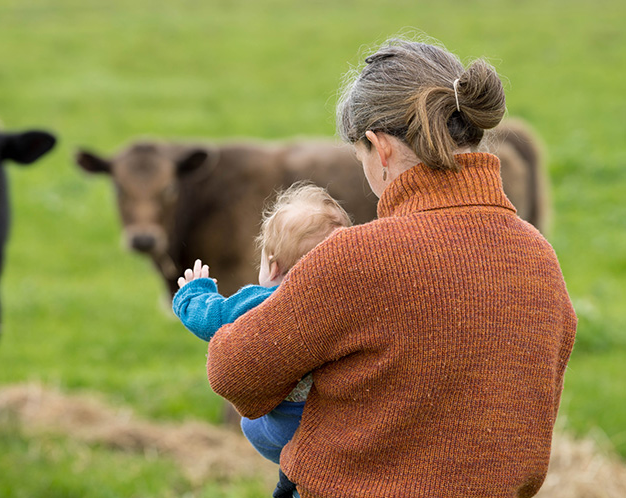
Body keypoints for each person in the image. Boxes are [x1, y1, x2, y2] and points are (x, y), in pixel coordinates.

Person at [204, 36, 577, 498]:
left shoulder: (357, 256)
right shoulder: (539, 257)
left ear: (379, 148)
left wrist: (266, 299)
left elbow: (234, 371)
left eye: (358, 156)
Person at [173, 182, 352, 498]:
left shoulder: (263, 301)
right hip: (342, 418)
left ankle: (294, 472)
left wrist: (193, 294)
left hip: (288, 423)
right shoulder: (351, 300)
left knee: (251, 425)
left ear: (272, 266)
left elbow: (212, 318)